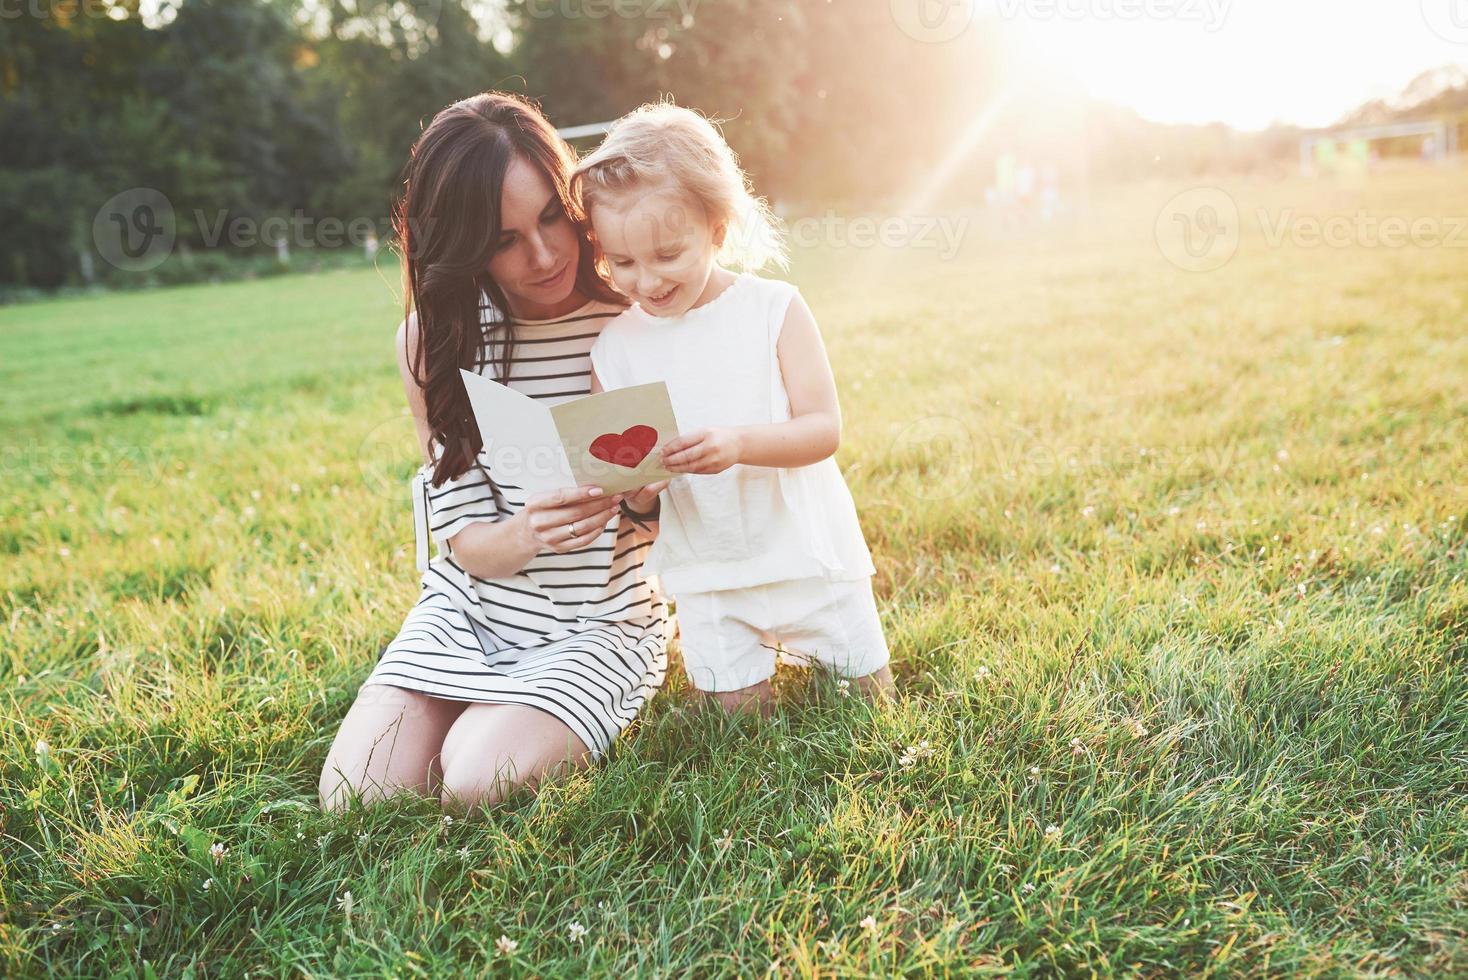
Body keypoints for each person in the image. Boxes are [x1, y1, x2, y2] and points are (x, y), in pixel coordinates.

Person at [319, 92, 669, 813]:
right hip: (472, 608)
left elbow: (688, 503)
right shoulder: (436, 340)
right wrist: (528, 531)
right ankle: (468, 704)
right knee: (357, 797)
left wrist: (642, 492)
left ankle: (513, 716)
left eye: (550, 217)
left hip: (600, 619)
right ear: (463, 242)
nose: (543, 255)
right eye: (503, 238)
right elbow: (463, 537)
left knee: (475, 781)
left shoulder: (637, 317)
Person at [572, 102, 896, 717]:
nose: (646, 280)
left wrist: (740, 444)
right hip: (708, 574)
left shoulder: (773, 308)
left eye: (668, 254)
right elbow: (629, 496)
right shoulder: (613, 350)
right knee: (740, 726)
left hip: (806, 552)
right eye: (623, 262)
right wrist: (641, 485)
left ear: (717, 229)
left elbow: (823, 429)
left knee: (868, 704)